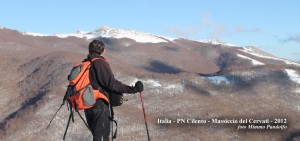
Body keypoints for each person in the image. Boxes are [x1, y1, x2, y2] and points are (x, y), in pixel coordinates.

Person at [84, 39, 143, 141]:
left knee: (97, 136)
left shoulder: (86, 63)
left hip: (88, 105)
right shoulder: (99, 63)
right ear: (102, 51)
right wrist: (133, 89)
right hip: (99, 105)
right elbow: (112, 84)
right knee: (102, 137)